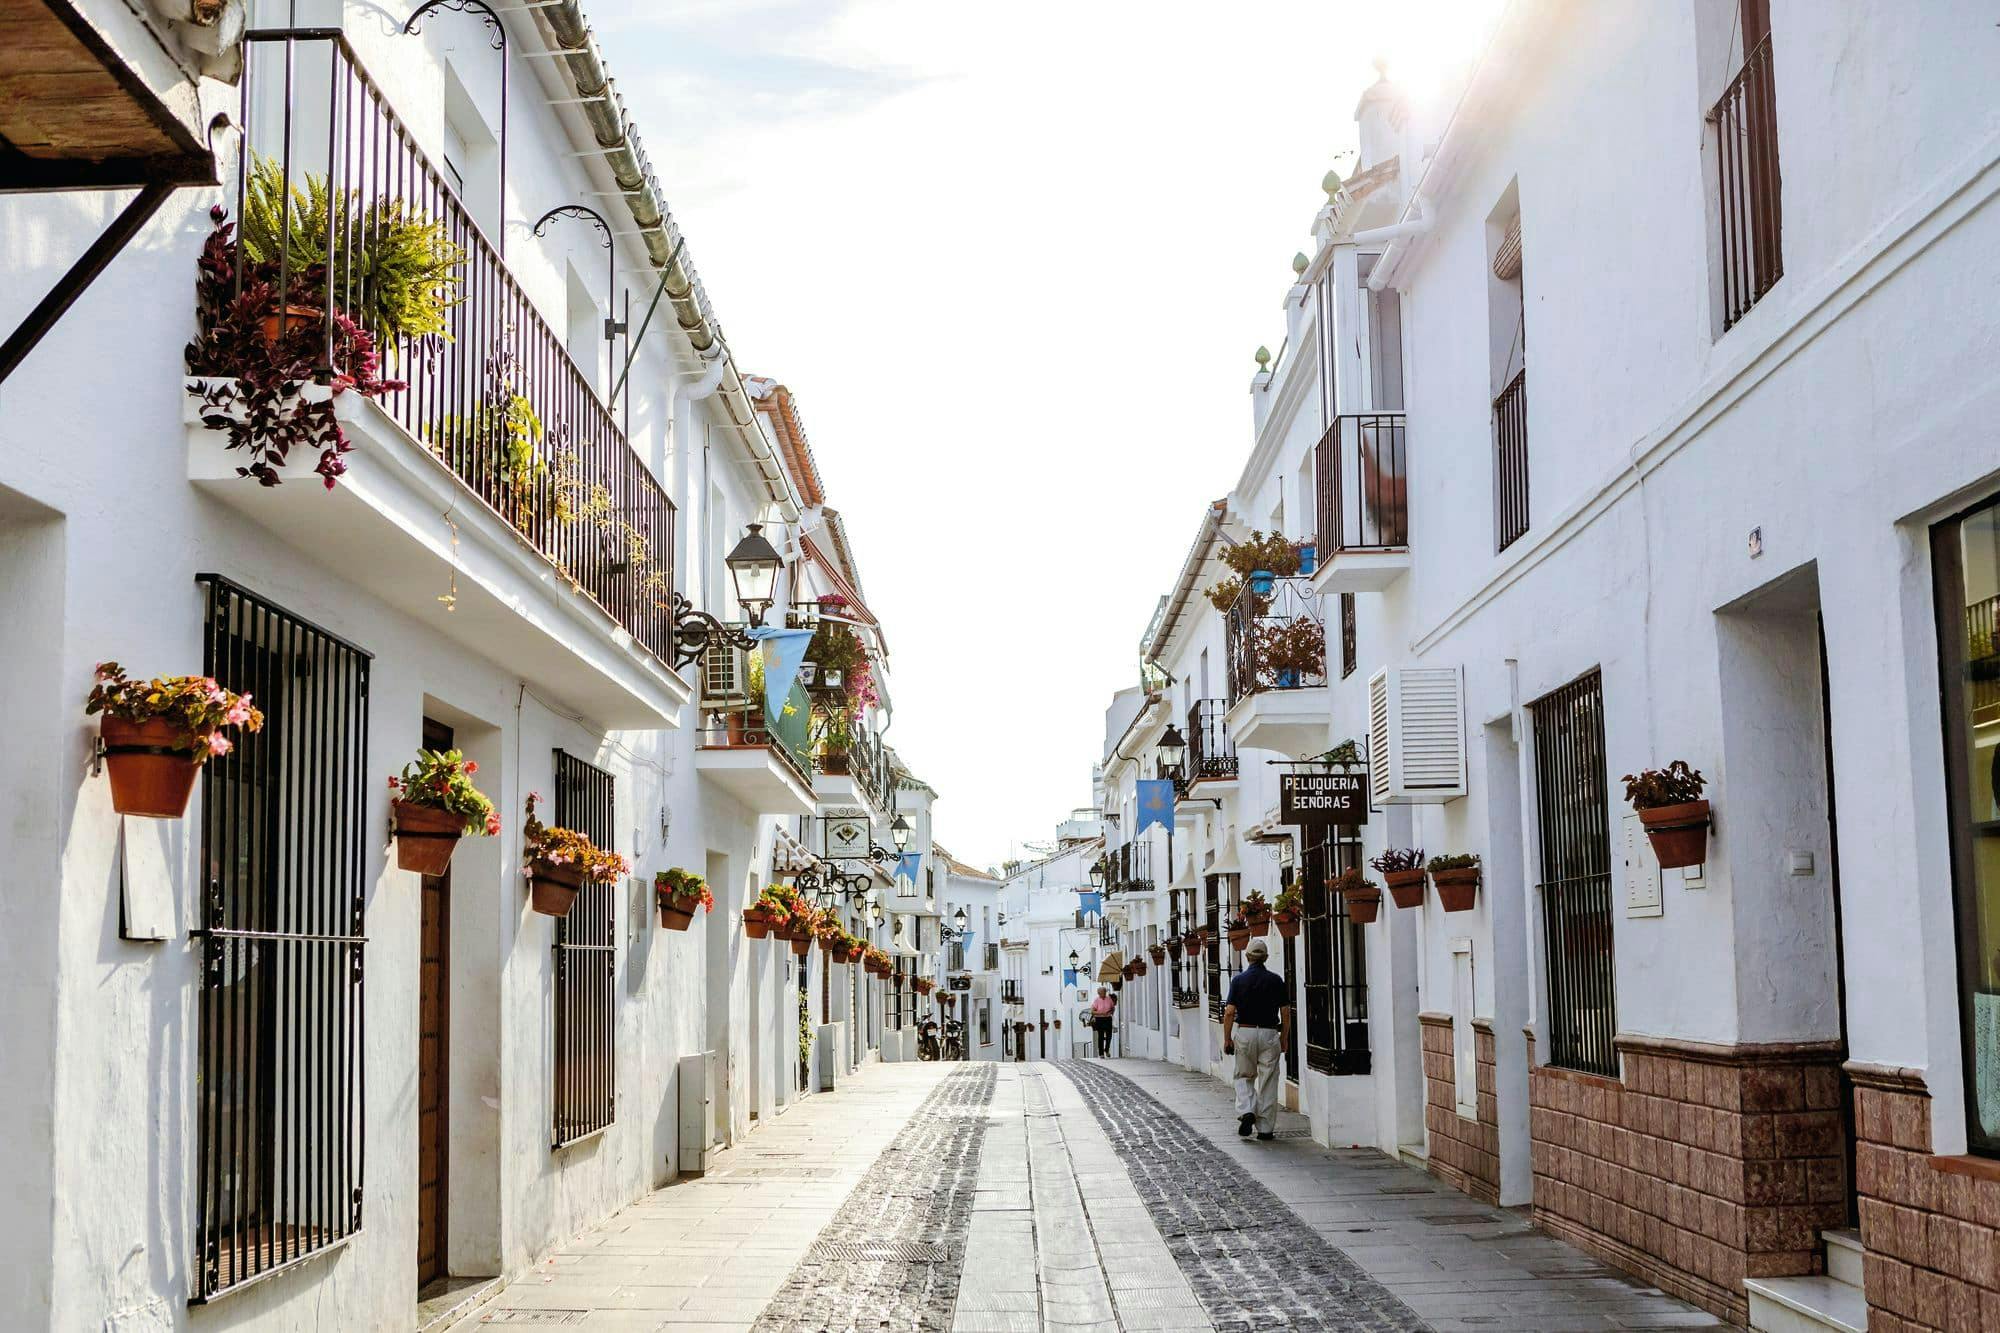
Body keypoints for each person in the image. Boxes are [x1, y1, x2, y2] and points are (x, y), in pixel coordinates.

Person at [1221, 939, 1291, 1140]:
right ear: (1266, 958)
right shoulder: (1276, 980)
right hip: (1269, 1033)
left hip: (1246, 1032)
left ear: (1247, 957)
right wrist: (1284, 1037)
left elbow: (1229, 1012)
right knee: (1268, 1080)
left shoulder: (1238, 981)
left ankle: (1247, 1110)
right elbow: (1285, 1012)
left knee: (1243, 1075)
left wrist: (1227, 1038)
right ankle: (1266, 1129)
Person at [1089, 986, 1117, 1057]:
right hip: (1099, 1019)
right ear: (1098, 993)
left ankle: (1106, 1050)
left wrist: (1111, 1012)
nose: (1104, 994)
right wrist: (1101, 1013)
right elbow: (1092, 1011)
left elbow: (1113, 1008)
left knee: (1109, 1036)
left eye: (1105, 992)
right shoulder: (1096, 1000)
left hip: (1108, 1019)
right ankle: (1101, 1053)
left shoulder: (1109, 999)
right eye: (1102, 993)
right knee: (1100, 1036)